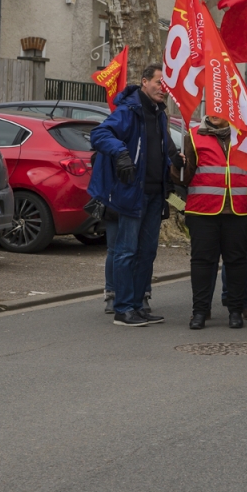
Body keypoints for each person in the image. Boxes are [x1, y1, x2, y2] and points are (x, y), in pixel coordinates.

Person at [89, 64, 178, 328]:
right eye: (159, 82)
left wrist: (174, 164)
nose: (164, 88)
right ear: (144, 82)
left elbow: (161, 150)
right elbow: (99, 134)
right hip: (130, 194)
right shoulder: (129, 110)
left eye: (166, 84)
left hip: (154, 194)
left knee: (147, 252)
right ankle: (123, 308)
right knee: (126, 251)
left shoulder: (160, 114)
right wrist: (121, 152)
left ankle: (138, 306)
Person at [180, 115, 247, 331]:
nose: (214, 113)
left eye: (219, 108)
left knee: (237, 262)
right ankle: (200, 312)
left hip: (240, 210)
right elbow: (183, 177)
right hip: (203, 210)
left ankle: (235, 311)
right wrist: (177, 167)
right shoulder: (193, 136)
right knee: (202, 262)